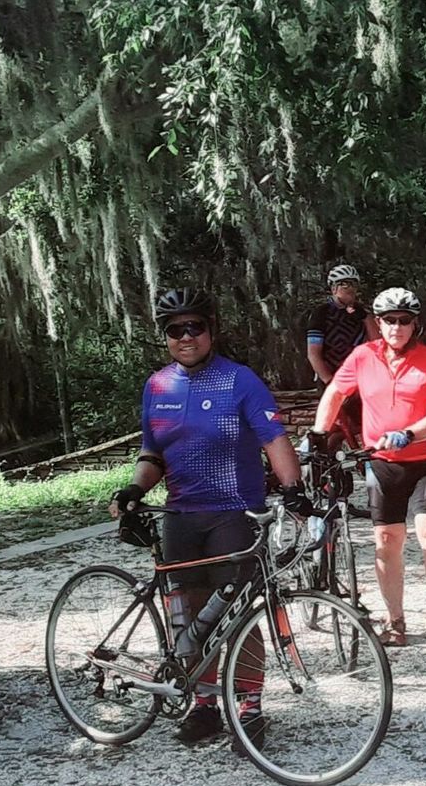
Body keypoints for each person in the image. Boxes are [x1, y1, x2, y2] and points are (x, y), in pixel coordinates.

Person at [109, 287, 314, 752]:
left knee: (237, 614)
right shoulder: (157, 386)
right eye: (175, 330)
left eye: (194, 327)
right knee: (186, 614)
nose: (186, 337)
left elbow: (274, 439)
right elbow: (152, 453)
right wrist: (134, 489)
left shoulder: (239, 380)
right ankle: (203, 705)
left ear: (210, 331)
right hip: (180, 515)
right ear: (165, 336)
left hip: (233, 512)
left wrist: (293, 490)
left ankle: (249, 708)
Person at [311, 287, 426, 655]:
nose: (396, 327)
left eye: (403, 320)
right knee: (387, 541)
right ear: (378, 323)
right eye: (389, 320)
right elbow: (335, 393)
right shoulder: (362, 356)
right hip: (382, 461)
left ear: (414, 324)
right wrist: (317, 436)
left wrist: (408, 434)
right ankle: (395, 622)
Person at [306, 264, 379, 385]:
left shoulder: (361, 312)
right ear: (334, 288)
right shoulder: (321, 313)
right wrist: (329, 381)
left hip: (359, 377)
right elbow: (313, 354)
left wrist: (366, 318)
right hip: (330, 377)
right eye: (344, 284)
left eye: (354, 284)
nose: (350, 288)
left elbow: (376, 343)